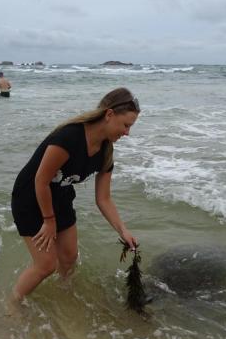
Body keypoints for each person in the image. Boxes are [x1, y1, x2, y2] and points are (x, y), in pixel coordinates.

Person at [8, 87, 141, 313]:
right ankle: (13, 303)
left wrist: (123, 231)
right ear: (109, 115)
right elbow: (40, 181)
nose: (127, 133)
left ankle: (64, 294)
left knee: (69, 257)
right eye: (126, 125)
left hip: (60, 197)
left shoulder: (105, 151)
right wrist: (49, 222)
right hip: (30, 199)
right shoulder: (69, 137)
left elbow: (104, 198)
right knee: (46, 265)